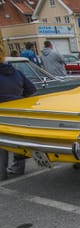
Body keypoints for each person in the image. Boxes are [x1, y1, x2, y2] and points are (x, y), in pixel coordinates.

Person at [0, 46, 36, 180]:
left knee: (1, 144)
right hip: (17, 112)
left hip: (2, 112)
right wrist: (19, 100)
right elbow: (31, 89)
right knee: (17, 141)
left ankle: (1, 173)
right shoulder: (15, 72)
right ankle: (17, 168)